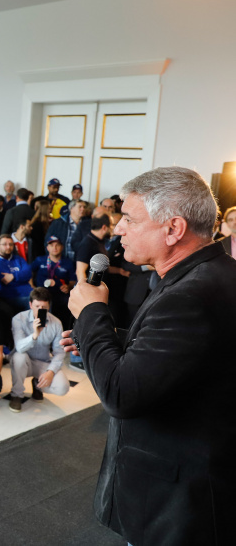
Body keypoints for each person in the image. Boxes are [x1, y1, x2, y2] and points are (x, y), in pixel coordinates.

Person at [61, 167, 235, 545]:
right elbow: (191, 352)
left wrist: (92, 316)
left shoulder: (188, 296)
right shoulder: (216, 273)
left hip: (177, 500)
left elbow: (121, 395)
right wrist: (110, 338)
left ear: (173, 229)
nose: (118, 228)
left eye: (129, 218)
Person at [0, 234, 34, 315]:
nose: (8, 247)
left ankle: (46, 327)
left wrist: (13, 276)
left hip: (29, 293)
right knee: (35, 302)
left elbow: (28, 273)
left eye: (10, 244)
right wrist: (21, 276)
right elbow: (5, 280)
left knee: (45, 297)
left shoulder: (18, 258)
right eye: (5, 244)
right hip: (11, 296)